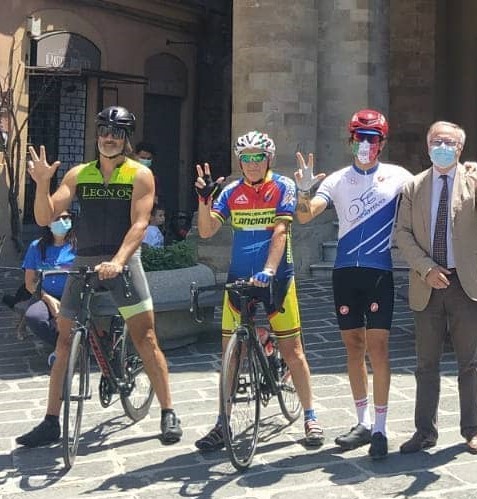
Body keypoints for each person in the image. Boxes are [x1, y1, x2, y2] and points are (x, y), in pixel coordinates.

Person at [17, 105, 183, 448]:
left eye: (117, 133)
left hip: (122, 260)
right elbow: (46, 215)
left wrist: (121, 260)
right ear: (98, 136)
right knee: (64, 342)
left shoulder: (140, 174)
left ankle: (168, 411)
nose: (109, 138)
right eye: (105, 132)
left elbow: (140, 224)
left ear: (126, 140)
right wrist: (43, 183)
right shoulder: (79, 174)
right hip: (86, 259)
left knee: (146, 337)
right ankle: (50, 420)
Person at [193, 130, 324, 450]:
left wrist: (269, 269)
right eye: (245, 158)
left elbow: (281, 230)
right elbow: (208, 231)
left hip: (276, 278)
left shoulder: (282, 186)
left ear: (268, 158)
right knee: (229, 354)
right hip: (238, 278)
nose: (251, 163)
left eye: (257, 157)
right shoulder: (231, 191)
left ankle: (310, 417)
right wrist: (204, 200)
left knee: (293, 352)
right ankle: (222, 423)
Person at [295, 109, 413, 459]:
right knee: (352, 345)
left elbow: (428, 198)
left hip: (379, 271)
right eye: (359, 138)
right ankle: (361, 421)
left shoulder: (398, 176)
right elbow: (305, 216)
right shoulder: (337, 179)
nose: (365, 144)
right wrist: (304, 190)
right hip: (345, 271)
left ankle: (380, 426)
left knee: (379, 348)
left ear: (382, 143)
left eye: (372, 139)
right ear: (350, 141)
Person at [393, 121, 477, 456]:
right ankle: (424, 431)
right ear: (428, 145)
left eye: (450, 142)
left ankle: (472, 430)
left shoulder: (473, 181)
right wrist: (426, 269)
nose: (442, 146)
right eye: (437, 141)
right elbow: (402, 234)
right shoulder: (414, 186)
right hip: (428, 284)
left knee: (470, 361)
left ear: (460, 148)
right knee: (426, 363)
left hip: (464, 282)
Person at [13, 214, 77, 355]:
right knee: (34, 316)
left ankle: (73, 346)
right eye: (56, 218)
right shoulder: (36, 247)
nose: (62, 221)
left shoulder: (79, 246)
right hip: (44, 295)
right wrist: (48, 299)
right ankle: (61, 347)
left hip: (74, 295)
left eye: (66, 217)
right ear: (48, 223)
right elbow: (30, 283)